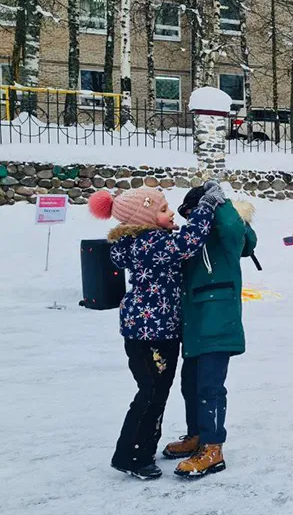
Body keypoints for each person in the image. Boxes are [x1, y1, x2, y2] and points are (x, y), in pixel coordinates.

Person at [88, 184, 223, 480]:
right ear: (144, 220)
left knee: (155, 391)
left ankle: (141, 450)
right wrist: (206, 207)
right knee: (151, 392)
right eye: (162, 209)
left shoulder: (143, 241)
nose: (170, 211)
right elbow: (188, 242)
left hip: (151, 330)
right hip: (152, 333)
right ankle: (132, 456)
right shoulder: (150, 243)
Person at [160, 187, 258, 478]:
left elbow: (233, 227)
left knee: (209, 389)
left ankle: (213, 447)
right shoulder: (193, 240)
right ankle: (197, 435)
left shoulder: (226, 237)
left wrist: (221, 200)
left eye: (196, 212)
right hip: (194, 325)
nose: (191, 219)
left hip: (218, 323)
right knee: (190, 384)